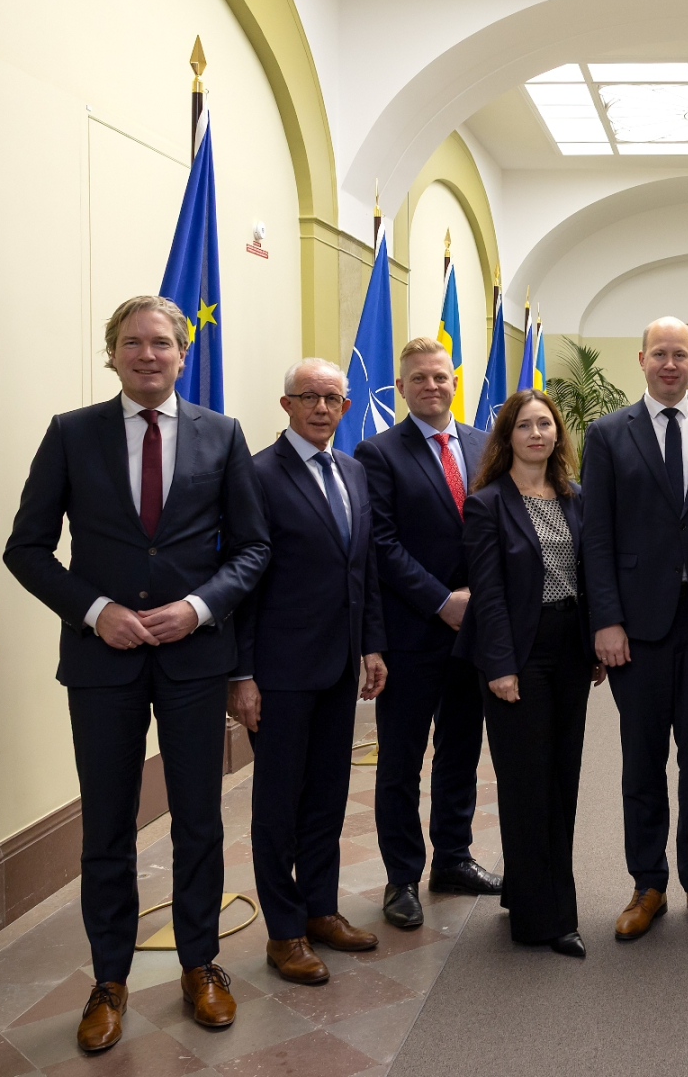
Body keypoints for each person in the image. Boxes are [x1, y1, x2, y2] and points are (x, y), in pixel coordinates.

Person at [4, 296, 268, 1051]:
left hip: (193, 659)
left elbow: (252, 548)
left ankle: (200, 964)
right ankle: (109, 980)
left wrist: (197, 607)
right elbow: (26, 548)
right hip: (102, 664)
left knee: (199, 820)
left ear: (183, 354)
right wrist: (95, 612)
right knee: (107, 826)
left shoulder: (222, 434)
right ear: (111, 353)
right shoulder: (71, 433)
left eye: (160, 343)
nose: (147, 354)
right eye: (131, 342)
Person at [582, 316, 688, 942]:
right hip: (636, 628)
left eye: (681, 354)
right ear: (641, 359)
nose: (670, 364)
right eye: (660, 354)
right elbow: (596, 535)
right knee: (642, 763)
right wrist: (606, 620)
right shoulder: (607, 433)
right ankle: (647, 883)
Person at [229, 359, 387, 984]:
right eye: (309, 397)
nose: (322, 408)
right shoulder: (257, 475)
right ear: (286, 405)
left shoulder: (352, 470)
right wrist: (241, 673)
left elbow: (362, 568)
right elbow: (244, 580)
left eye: (333, 398)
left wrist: (371, 645)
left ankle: (321, 909)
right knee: (278, 805)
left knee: (326, 795)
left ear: (346, 406)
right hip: (279, 672)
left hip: (339, 665)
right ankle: (285, 931)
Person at [355, 338, 500, 931]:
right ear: (401, 387)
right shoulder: (377, 452)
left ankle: (453, 859)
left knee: (461, 750)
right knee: (401, 760)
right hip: (414, 632)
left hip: (476, 632)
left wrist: (483, 602)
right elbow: (381, 544)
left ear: (454, 383)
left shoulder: (485, 444)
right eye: (418, 378)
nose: (431, 386)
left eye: (440, 377)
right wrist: (442, 602)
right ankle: (401, 878)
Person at [455, 389, 606, 957]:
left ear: (557, 434)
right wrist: (500, 665)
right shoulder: (487, 503)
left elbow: (589, 577)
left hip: (570, 649)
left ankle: (526, 889)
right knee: (527, 783)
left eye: (545, 424)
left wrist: (594, 642)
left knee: (562, 777)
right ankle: (548, 919)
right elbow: (488, 593)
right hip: (517, 652)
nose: (536, 434)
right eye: (524, 425)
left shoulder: (575, 496)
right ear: (507, 437)